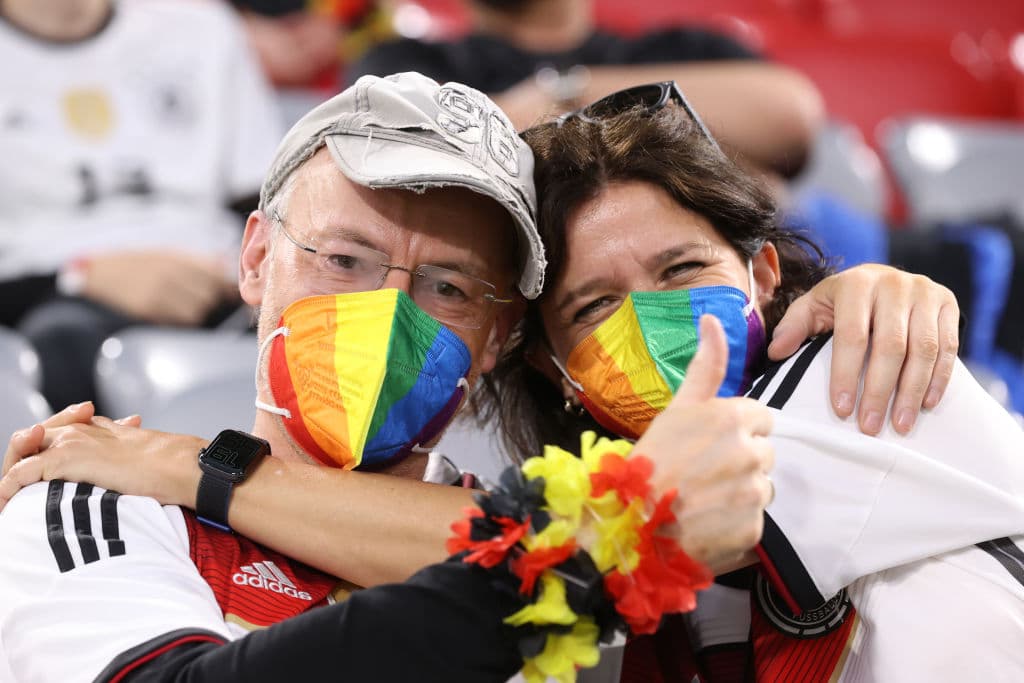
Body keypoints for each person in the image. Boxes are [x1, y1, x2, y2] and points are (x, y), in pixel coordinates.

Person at [0, 75, 961, 677]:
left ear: (502, 334)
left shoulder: (604, 544)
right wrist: (582, 559)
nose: (385, 310)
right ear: (256, 259)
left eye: (448, 285)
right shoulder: (97, 495)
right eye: (344, 258)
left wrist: (865, 299)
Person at [478, 81, 1022, 681]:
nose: (652, 321)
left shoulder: (854, 379)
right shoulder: (619, 522)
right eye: (595, 306)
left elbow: (489, 565)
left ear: (763, 276)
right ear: (552, 367)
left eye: (683, 268)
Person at [0, 0, 282, 409]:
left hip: (220, 280)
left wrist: (251, 272)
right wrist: (77, 278)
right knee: (61, 342)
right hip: (51, 299)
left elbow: (265, 199)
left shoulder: (201, 27)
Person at [348, 0, 824, 179]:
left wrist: (565, 96)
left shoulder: (682, 48)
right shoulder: (407, 61)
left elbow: (788, 118)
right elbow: (404, 155)